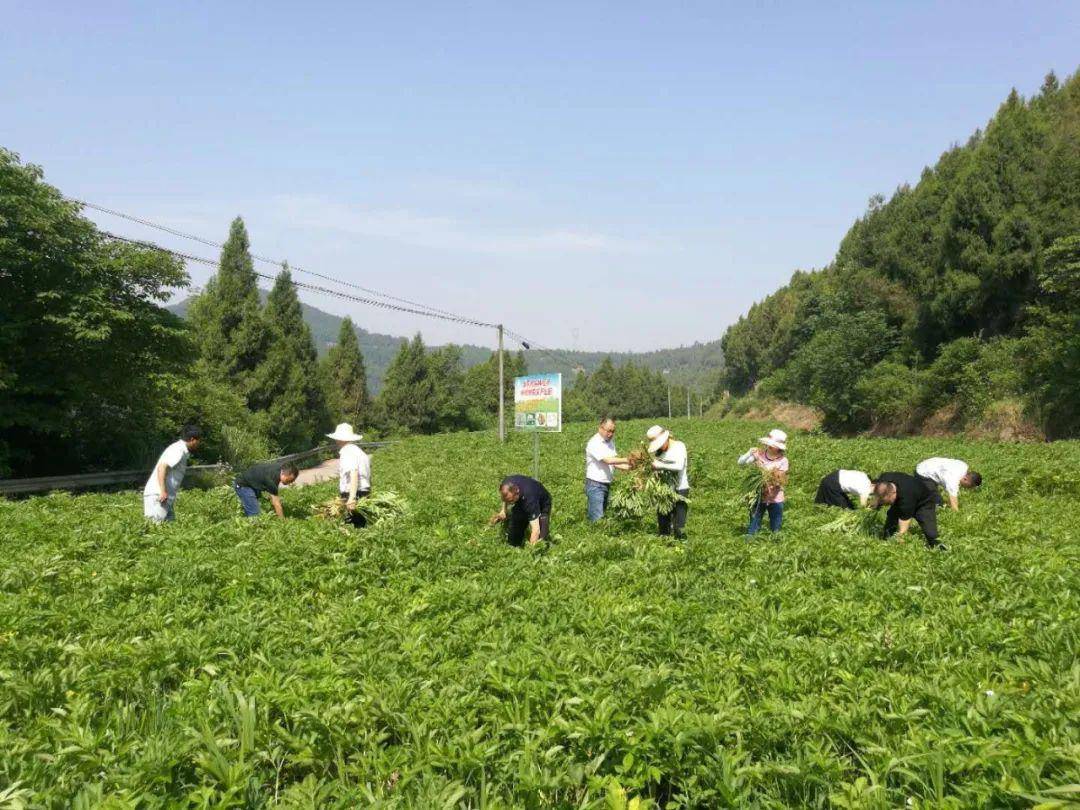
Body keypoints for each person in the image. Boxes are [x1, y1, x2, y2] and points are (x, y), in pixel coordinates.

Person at [143, 425, 202, 523]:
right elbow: (162, 467)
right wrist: (162, 491)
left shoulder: (181, 450)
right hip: (158, 496)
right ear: (192, 439)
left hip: (165, 498)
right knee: (154, 530)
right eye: (199, 440)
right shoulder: (178, 449)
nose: (199, 443)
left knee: (170, 529)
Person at [871, 472, 946, 550]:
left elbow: (904, 521)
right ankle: (886, 541)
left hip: (924, 502)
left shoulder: (906, 498)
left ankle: (941, 549)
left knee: (930, 533)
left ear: (893, 493)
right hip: (904, 495)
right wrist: (877, 502)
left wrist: (901, 537)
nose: (885, 504)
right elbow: (875, 489)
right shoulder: (884, 479)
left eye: (887, 501)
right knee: (891, 519)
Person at [738, 428, 789, 535]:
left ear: (778, 448)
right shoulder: (759, 454)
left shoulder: (783, 461)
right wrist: (749, 453)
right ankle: (750, 542)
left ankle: (776, 542)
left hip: (776, 498)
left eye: (772, 444)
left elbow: (779, 480)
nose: (769, 445)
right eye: (769, 443)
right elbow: (741, 463)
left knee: (776, 525)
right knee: (754, 522)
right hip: (758, 496)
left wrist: (763, 469)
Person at [646, 425, 690, 539]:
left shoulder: (679, 446)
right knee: (663, 523)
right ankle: (664, 547)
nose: (659, 447)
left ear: (666, 438)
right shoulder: (659, 453)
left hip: (680, 489)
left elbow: (679, 466)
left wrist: (659, 465)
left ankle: (681, 548)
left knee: (679, 525)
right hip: (665, 490)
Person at [585, 416, 630, 521]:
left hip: (606, 484)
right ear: (600, 428)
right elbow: (608, 460)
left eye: (613, 431)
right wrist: (628, 459)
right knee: (597, 519)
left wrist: (628, 467)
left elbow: (613, 462)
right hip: (595, 485)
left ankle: (598, 534)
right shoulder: (594, 443)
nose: (611, 434)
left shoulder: (610, 442)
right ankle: (596, 536)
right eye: (608, 431)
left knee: (602, 515)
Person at [327, 422, 371, 528]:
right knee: (361, 526)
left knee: (351, 528)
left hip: (354, 493)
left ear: (339, 439)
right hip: (364, 492)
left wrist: (351, 498)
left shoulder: (347, 452)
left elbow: (354, 473)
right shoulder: (358, 451)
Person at [490, 475, 551, 546]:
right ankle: (515, 547)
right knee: (514, 534)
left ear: (517, 492)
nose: (510, 503)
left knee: (541, 539)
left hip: (542, 504)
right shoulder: (506, 485)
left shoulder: (529, 500)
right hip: (523, 498)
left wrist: (531, 550)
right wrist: (503, 510)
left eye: (511, 501)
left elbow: (536, 530)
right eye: (508, 501)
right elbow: (506, 498)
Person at [233, 462, 299, 518]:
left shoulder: (281, 468)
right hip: (243, 486)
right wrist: (283, 523)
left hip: (253, 483)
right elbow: (277, 504)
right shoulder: (272, 481)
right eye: (289, 480)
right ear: (283, 473)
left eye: (291, 481)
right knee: (255, 515)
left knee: (254, 503)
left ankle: (247, 509)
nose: (289, 483)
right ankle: (254, 529)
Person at [915, 457, 982, 512]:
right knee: (936, 503)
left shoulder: (964, 466)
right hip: (923, 472)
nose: (970, 488)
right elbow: (953, 502)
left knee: (938, 501)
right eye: (970, 486)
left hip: (930, 464)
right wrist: (957, 514)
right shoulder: (953, 479)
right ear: (965, 479)